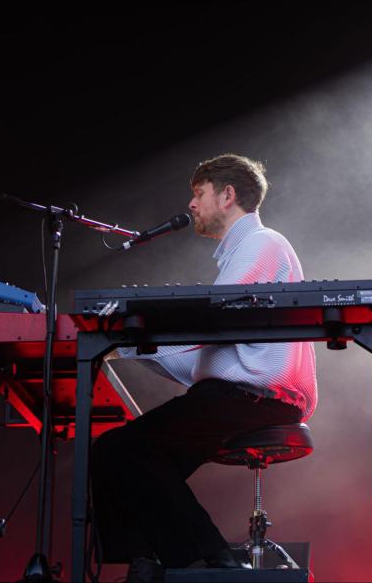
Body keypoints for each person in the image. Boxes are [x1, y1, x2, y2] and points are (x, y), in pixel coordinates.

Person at [90, 154, 317, 580]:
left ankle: (207, 560)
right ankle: (156, 562)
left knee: (124, 450)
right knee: (123, 458)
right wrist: (127, 346)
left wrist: (138, 327)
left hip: (255, 398)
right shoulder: (239, 258)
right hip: (233, 395)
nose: (191, 204)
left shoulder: (263, 244)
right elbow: (201, 358)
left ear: (227, 195)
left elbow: (211, 320)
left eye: (198, 193)